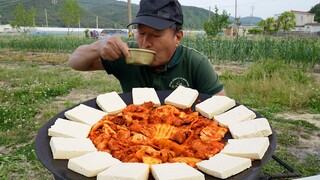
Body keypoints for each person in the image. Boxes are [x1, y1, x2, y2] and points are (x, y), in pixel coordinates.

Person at [68, 0, 226, 96]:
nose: (145, 43)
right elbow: (75, 62)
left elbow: (221, 106)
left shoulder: (194, 63)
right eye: (141, 32)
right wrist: (98, 46)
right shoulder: (126, 54)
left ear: (177, 37)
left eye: (156, 35)